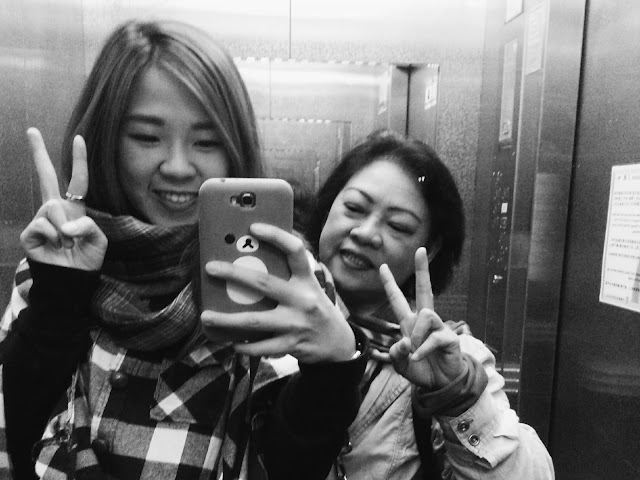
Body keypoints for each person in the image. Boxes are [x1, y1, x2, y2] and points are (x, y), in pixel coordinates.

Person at [0, 20, 368, 480]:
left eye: (207, 142)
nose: (178, 166)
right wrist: (59, 297)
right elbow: (15, 442)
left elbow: (289, 466)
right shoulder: (52, 266)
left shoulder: (289, 278)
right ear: (107, 139)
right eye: (147, 137)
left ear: (234, 146)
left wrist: (333, 370)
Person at [204, 130, 555, 479]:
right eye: (354, 208)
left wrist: (457, 398)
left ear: (430, 248)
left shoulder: (442, 358)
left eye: (398, 226)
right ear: (328, 209)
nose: (366, 233)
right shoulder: (255, 321)